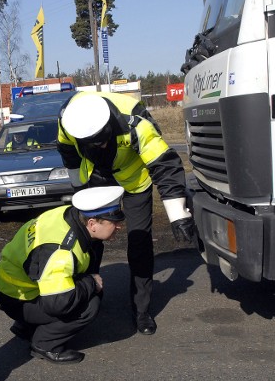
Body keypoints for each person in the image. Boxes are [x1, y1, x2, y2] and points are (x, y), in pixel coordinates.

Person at [57, 92, 197, 336]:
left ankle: (141, 311)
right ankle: (88, 295)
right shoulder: (68, 122)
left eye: (101, 141)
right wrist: (80, 193)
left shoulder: (136, 124)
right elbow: (69, 155)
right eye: (91, 143)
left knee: (139, 242)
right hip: (96, 177)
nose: (98, 146)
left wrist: (178, 214)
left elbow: (165, 166)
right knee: (88, 239)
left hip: (135, 180)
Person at [0, 186, 125, 364]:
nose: (119, 226)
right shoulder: (61, 252)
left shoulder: (67, 214)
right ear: (92, 224)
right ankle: (44, 344)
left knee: (80, 283)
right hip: (19, 299)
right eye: (113, 222)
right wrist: (91, 284)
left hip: (15, 287)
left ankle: (26, 326)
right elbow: (58, 303)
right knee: (90, 304)